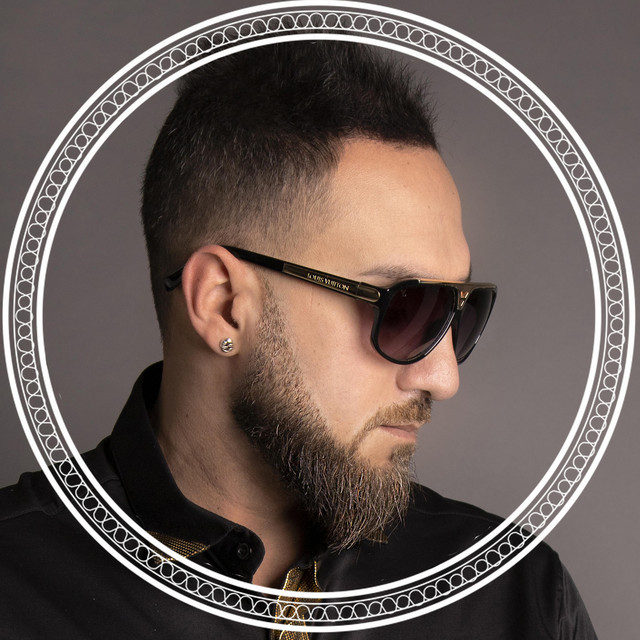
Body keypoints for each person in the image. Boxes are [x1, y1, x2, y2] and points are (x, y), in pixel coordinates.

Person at [0, 41, 596, 638]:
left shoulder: (514, 595)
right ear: (224, 307)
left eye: (458, 313)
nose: (443, 377)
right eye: (405, 307)